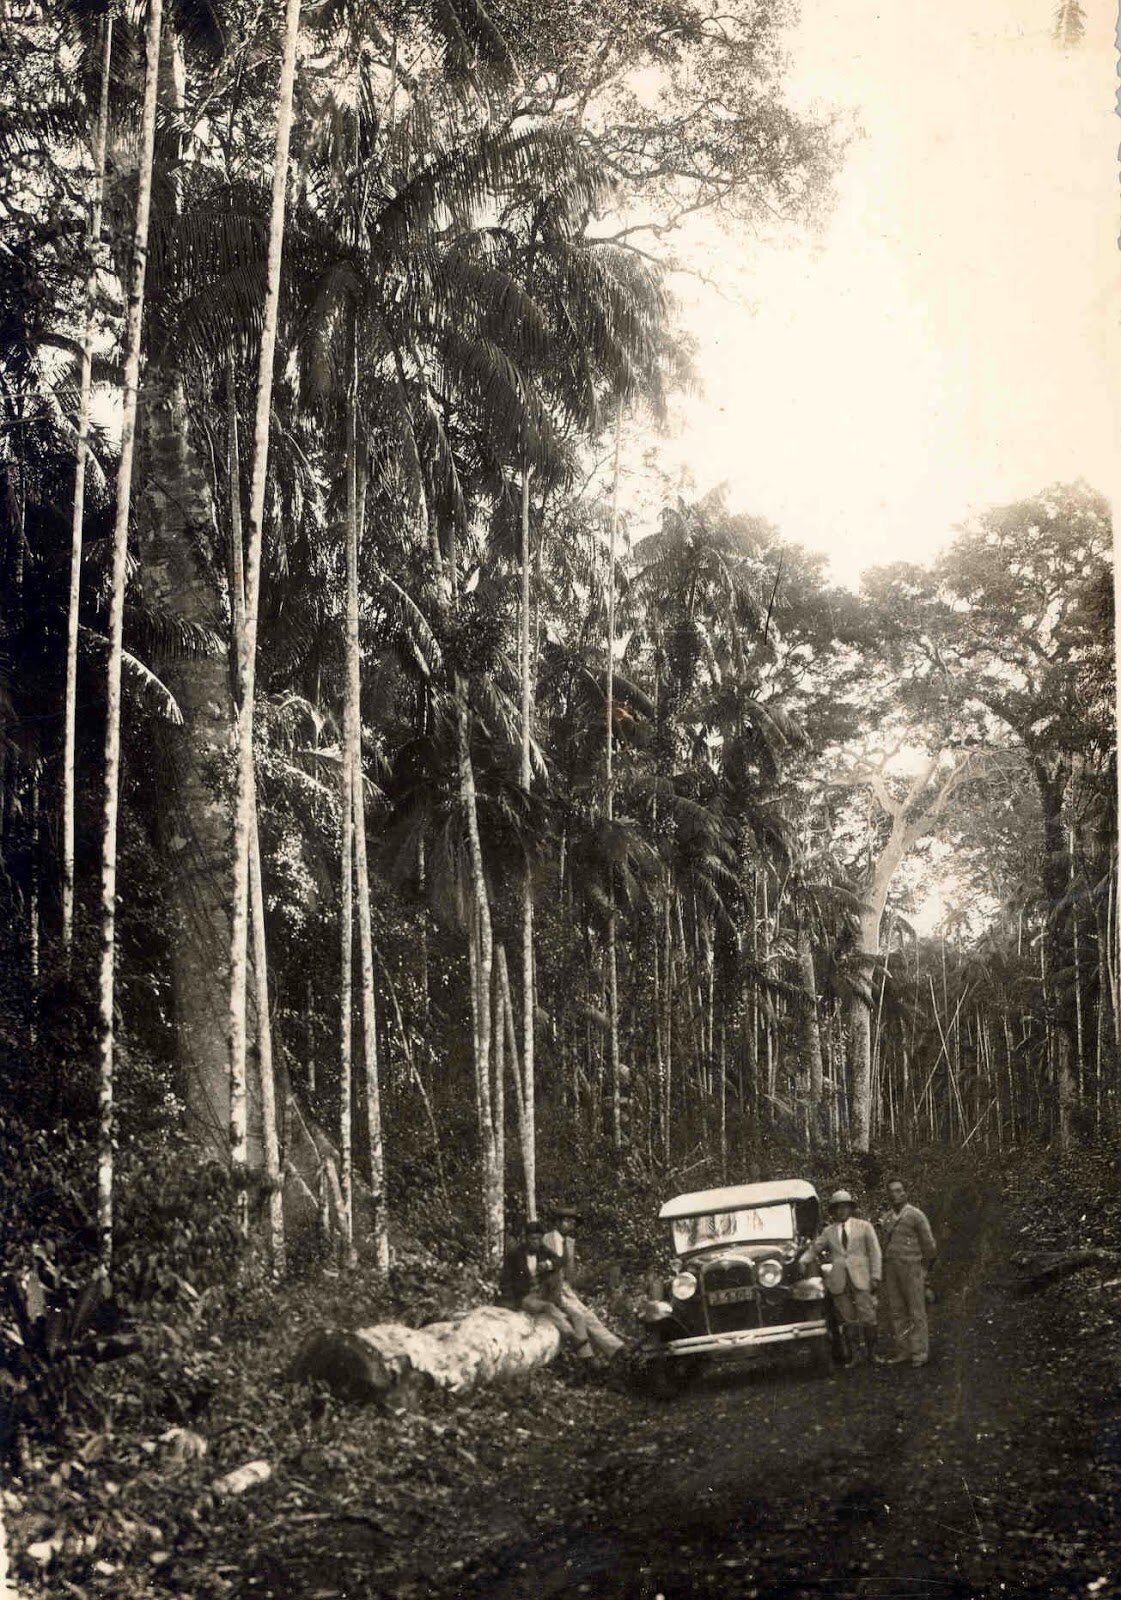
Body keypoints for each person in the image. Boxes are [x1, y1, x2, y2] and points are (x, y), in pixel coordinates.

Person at [802, 1189, 882, 1365]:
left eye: (845, 1207)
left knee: (868, 1316)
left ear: (850, 1208)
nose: (841, 1211)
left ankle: (872, 1354)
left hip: (861, 1277)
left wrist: (875, 1275)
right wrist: (802, 1261)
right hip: (839, 1280)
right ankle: (855, 1356)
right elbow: (815, 1248)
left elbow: (875, 1252)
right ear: (833, 1211)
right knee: (847, 1319)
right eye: (837, 1208)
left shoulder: (864, 1226)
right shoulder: (829, 1232)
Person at [499, 1220, 598, 1360]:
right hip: (525, 1297)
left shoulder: (542, 1250)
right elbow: (505, 1281)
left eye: (539, 1238)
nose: (536, 1242)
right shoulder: (514, 1255)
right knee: (549, 1307)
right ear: (526, 1238)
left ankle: (587, 1357)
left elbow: (561, 1260)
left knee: (577, 1315)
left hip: (544, 1293)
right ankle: (572, 1337)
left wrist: (548, 1263)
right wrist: (511, 1303)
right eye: (533, 1238)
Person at [542, 1205, 626, 1363]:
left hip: (565, 1288)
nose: (569, 1225)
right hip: (550, 1288)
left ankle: (617, 1349)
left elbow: (570, 1274)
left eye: (572, 1222)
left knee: (589, 1314)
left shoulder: (569, 1243)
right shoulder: (547, 1239)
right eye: (566, 1221)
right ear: (558, 1222)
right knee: (578, 1315)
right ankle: (588, 1358)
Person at [876, 1177, 937, 1368]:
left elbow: (930, 1246)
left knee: (916, 1310)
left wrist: (925, 1270)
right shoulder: (886, 1218)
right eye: (891, 1192)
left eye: (898, 1190)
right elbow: (883, 1245)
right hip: (892, 1269)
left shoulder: (916, 1215)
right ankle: (904, 1351)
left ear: (905, 1193)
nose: (895, 1195)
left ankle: (920, 1352)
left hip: (912, 1267)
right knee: (897, 1311)